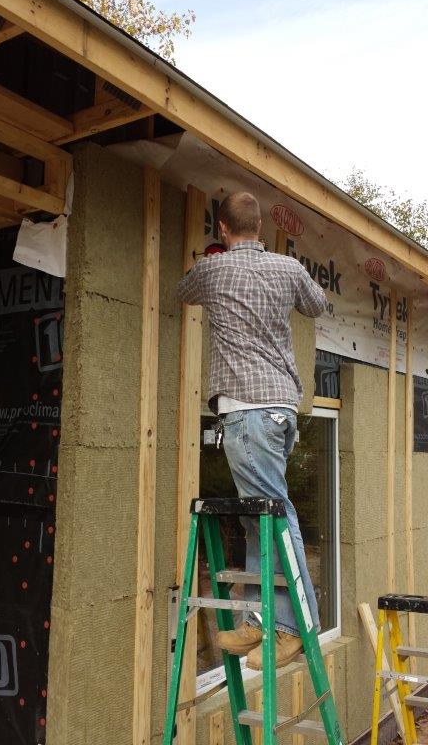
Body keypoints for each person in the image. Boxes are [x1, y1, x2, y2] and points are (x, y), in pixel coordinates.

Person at [177, 191, 327, 671]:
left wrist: (209, 260)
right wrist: (287, 279)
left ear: (222, 228)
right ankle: (265, 622)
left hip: (248, 415)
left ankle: (294, 628)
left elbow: (182, 292)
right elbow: (318, 304)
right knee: (257, 518)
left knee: (277, 518)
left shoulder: (214, 270)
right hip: (280, 410)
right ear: (259, 227)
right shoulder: (286, 268)